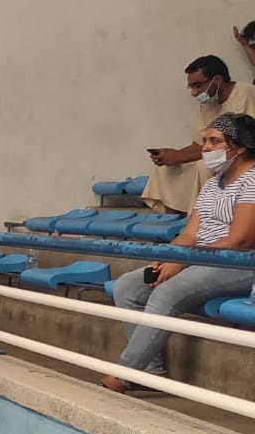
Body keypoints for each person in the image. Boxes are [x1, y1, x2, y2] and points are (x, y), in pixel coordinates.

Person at [105, 113, 255, 392]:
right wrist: (169, 257)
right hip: (199, 258)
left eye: (214, 142)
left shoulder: (253, 181)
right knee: (128, 286)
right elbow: (189, 234)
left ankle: (125, 373)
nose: (205, 148)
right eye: (205, 141)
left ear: (240, 146)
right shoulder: (212, 184)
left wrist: (183, 263)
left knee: (167, 291)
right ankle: (152, 373)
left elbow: (240, 240)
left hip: (240, 264)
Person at [143, 56, 255, 214]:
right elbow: (199, 144)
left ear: (217, 80)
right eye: (191, 87)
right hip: (219, 155)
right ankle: (174, 219)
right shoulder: (207, 104)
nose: (194, 93)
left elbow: (244, 141)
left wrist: (179, 156)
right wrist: (173, 155)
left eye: (197, 86)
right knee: (163, 169)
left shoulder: (247, 93)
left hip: (243, 157)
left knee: (204, 167)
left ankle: (205, 216)